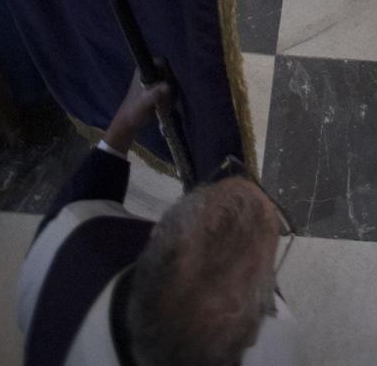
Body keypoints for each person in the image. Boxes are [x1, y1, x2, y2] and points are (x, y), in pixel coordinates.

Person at [17, 69, 300, 366]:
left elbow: (80, 200)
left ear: (157, 237)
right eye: (266, 268)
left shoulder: (63, 250)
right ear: (250, 332)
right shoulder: (277, 344)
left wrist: (124, 123)